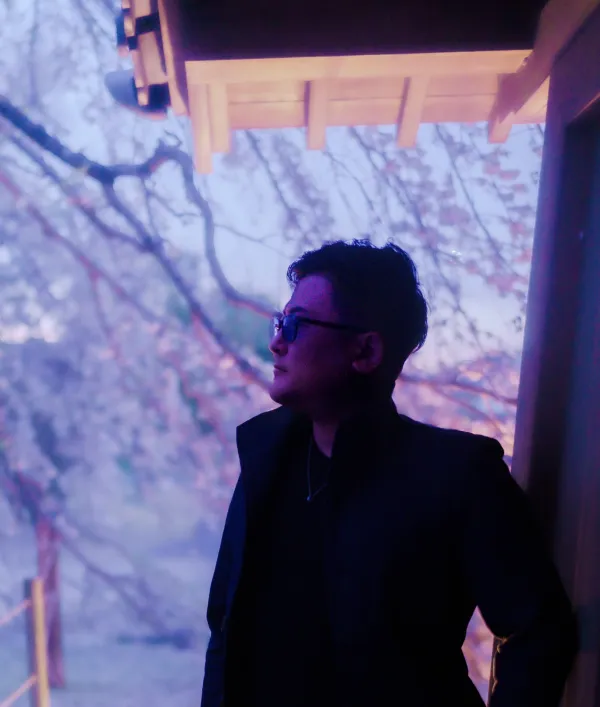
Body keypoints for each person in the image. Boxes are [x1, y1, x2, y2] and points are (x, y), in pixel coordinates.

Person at [201, 239, 577, 707]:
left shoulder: (457, 475)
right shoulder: (265, 457)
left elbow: (540, 630)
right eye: (281, 323)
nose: (277, 342)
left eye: (296, 324)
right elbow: (225, 627)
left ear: (366, 350)